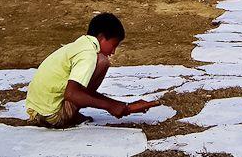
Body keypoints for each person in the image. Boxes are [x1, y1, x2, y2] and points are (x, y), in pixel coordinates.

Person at [25, 13, 157, 129]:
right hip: (52, 116)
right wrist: (112, 106)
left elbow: (79, 91)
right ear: (101, 37)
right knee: (102, 62)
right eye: (114, 45)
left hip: (37, 112)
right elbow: (72, 94)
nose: (113, 51)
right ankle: (69, 115)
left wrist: (121, 105)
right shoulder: (89, 54)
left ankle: (69, 113)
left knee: (99, 63)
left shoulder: (79, 45)